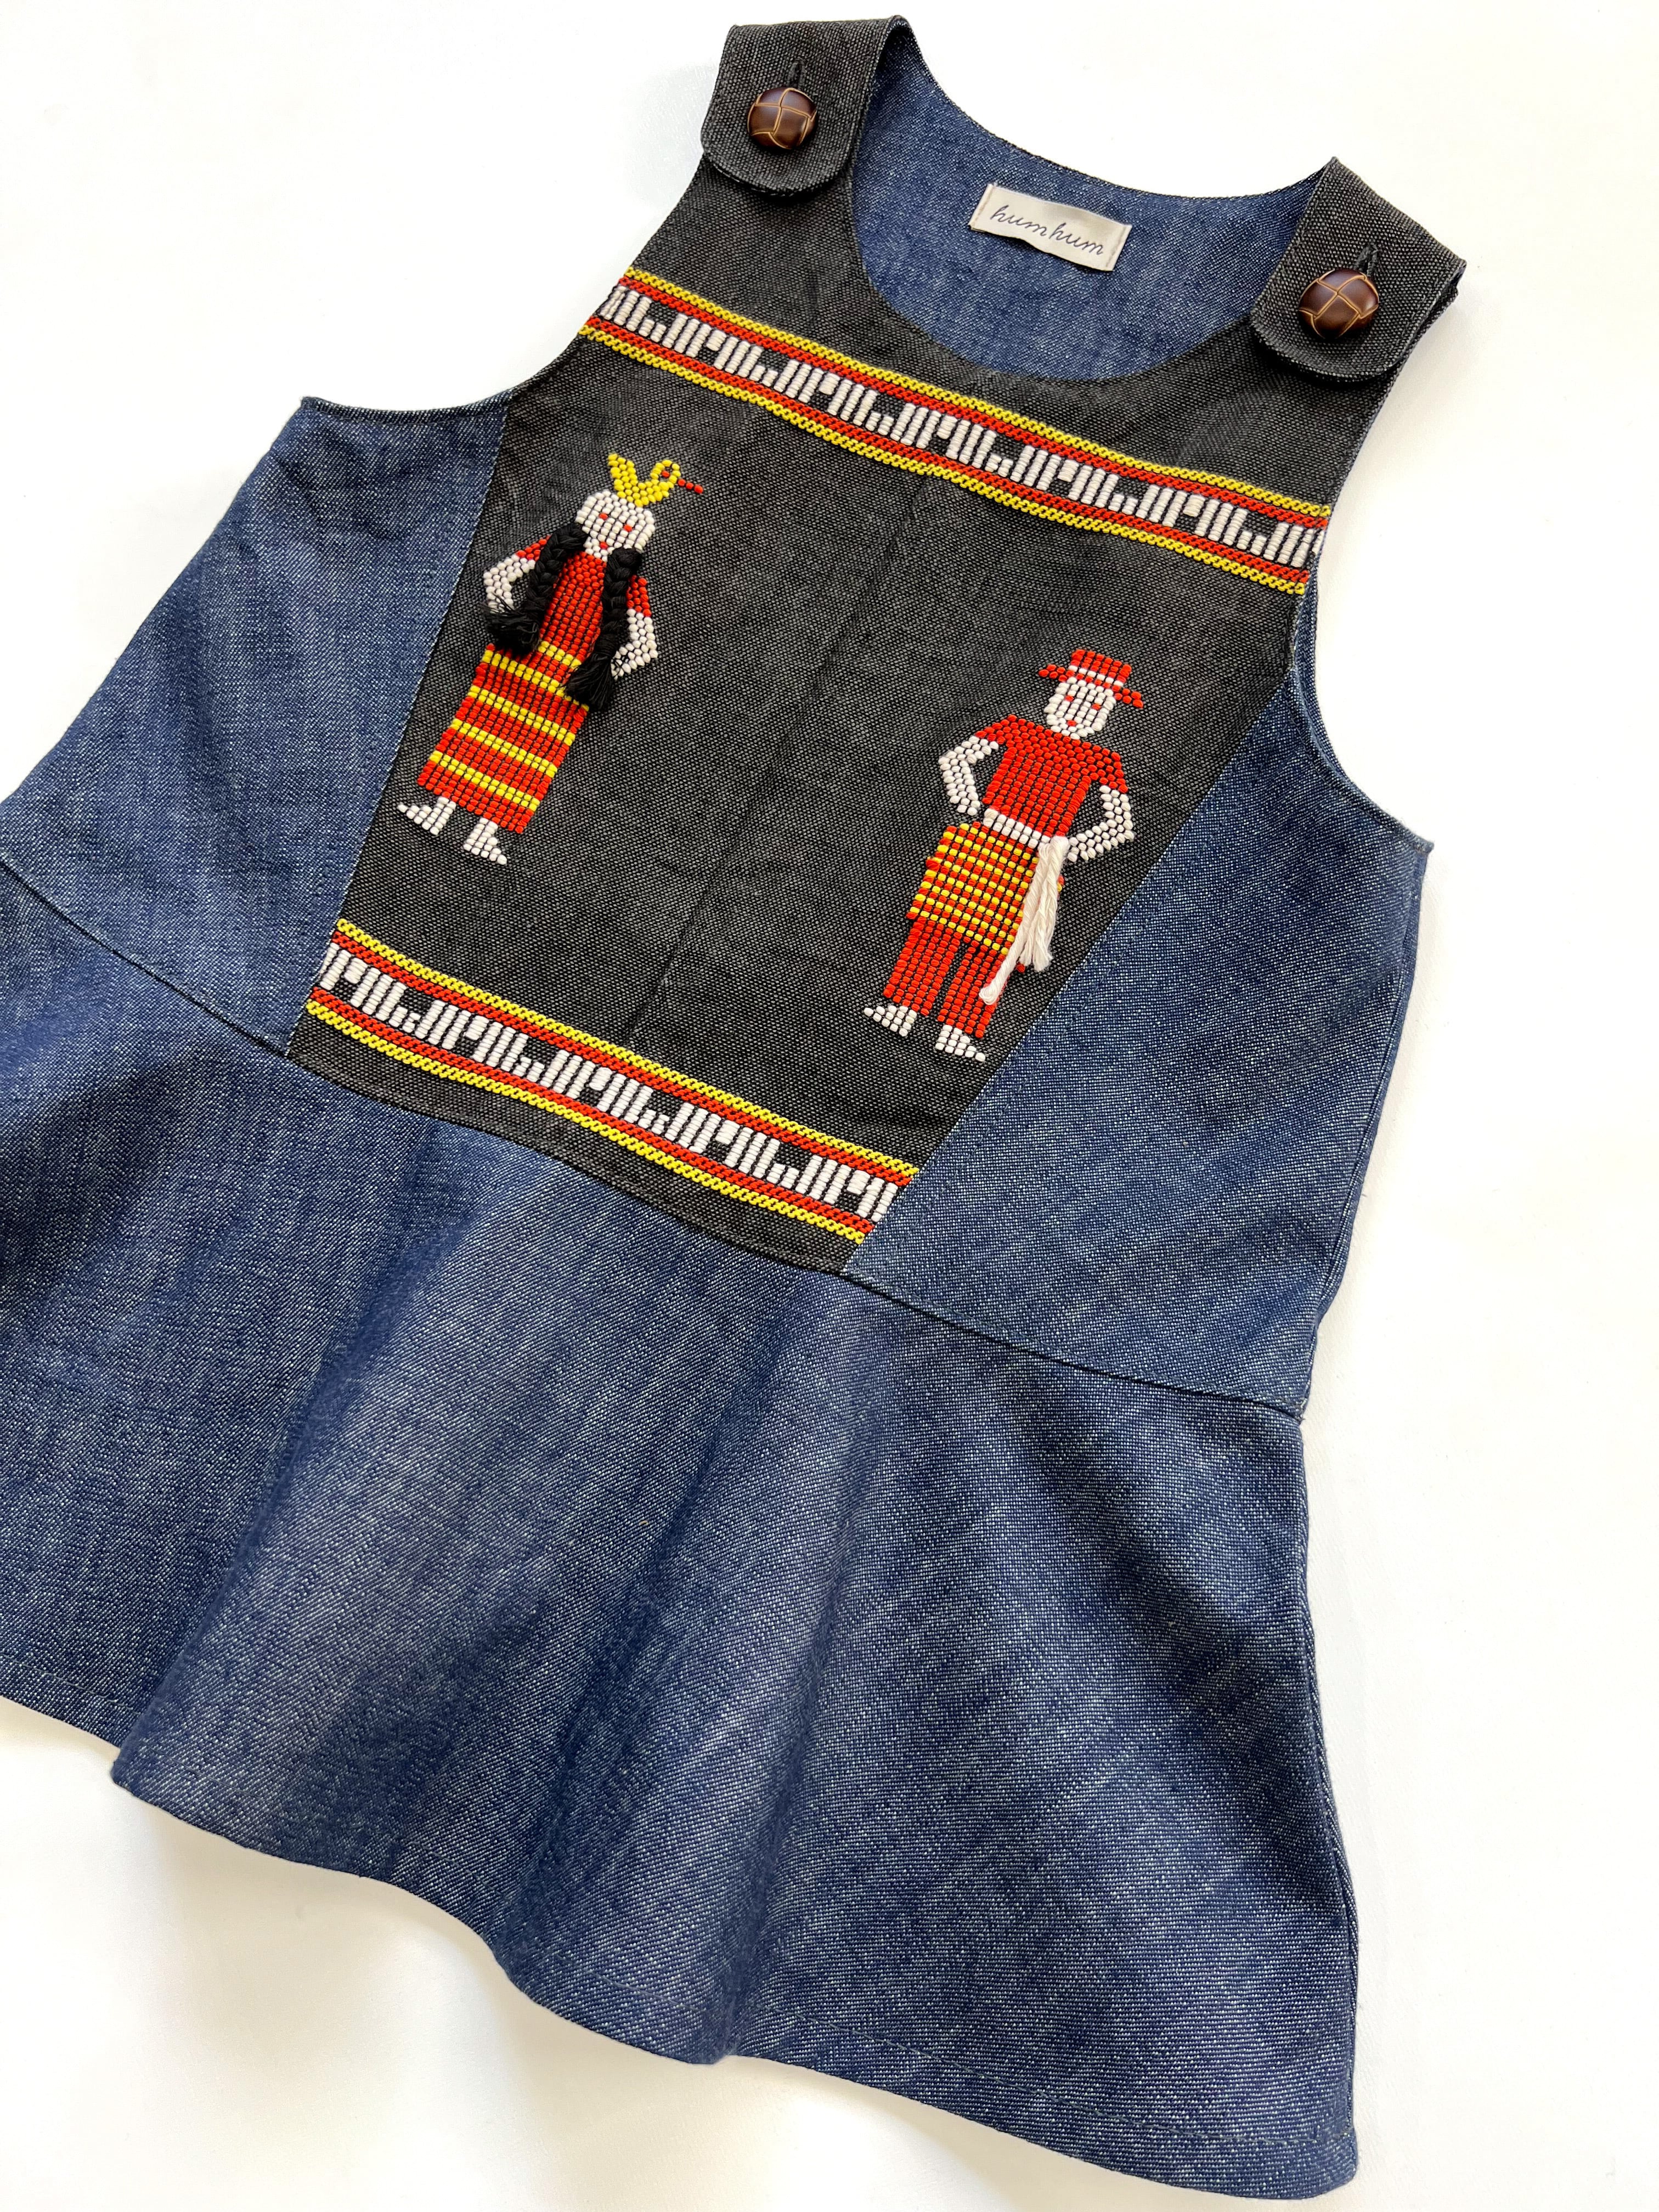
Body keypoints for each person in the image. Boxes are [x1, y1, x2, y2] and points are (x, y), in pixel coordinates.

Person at [866, 647, 1142, 1059]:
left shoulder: (1099, 761)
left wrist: (1064, 850)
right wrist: (971, 803)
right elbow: (959, 759)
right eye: (1072, 698)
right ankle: (904, 1006)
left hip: (1032, 865)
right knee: (937, 926)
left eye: (1093, 705)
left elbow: (1118, 824)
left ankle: (958, 1029)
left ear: (1104, 710)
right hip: (983, 844)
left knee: (993, 949)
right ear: (1061, 694)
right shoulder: (1019, 730)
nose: (1078, 712)